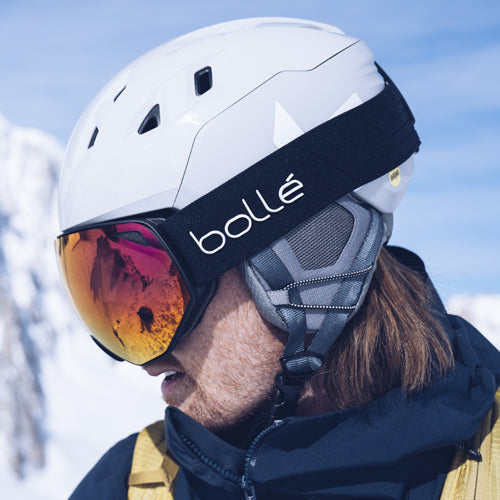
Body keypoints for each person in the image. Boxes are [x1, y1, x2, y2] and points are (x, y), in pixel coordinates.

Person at [56, 18, 500, 500]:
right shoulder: (126, 484)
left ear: (309, 257)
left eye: (156, 294)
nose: (148, 361)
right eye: (112, 310)